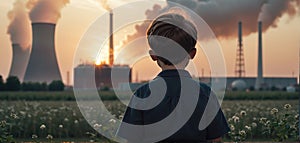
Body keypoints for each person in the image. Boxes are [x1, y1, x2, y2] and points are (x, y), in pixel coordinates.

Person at [117, 13, 229, 143]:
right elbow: (216, 140)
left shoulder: (141, 95)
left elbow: (132, 140)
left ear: (153, 55)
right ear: (192, 54)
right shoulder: (205, 94)